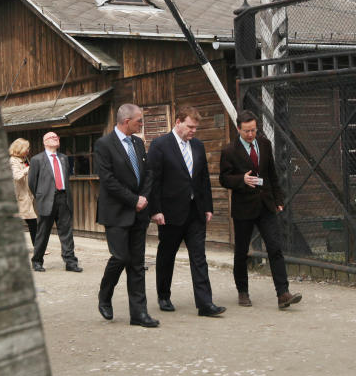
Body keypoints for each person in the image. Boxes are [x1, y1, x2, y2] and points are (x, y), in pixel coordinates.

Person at [219, 110, 302, 309]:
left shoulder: (264, 145)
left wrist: (278, 199)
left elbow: (272, 174)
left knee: (275, 248)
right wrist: (241, 180)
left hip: (266, 205)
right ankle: (243, 292)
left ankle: (283, 293)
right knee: (241, 252)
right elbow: (223, 179)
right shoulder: (229, 150)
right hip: (243, 208)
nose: (250, 134)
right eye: (246, 131)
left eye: (253, 130)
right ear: (238, 129)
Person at [148, 105, 225, 317]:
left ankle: (205, 304)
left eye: (196, 128)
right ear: (178, 122)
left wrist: (208, 206)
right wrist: (155, 210)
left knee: (199, 257)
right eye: (190, 127)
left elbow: (203, 178)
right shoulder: (160, 145)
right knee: (167, 255)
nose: (193, 131)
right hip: (170, 212)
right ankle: (163, 295)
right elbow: (153, 180)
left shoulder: (198, 146)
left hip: (195, 211)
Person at [94, 103, 159, 327]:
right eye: (139, 120)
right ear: (126, 121)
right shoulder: (104, 145)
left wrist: (144, 199)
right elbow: (108, 180)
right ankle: (105, 294)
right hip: (116, 212)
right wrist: (133, 200)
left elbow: (148, 173)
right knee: (120, 257)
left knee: (137, 264)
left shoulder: (139, 143)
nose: (142, 124)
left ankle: (139, 314)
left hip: (139, 213)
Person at [28, 131, 82, 273]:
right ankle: (37, 261)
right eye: (51, 137)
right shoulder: (37, 160)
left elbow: (66, 178)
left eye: (56, 137)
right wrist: (41, 196)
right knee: (43, 232)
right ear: (44, 142)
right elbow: (32, 183)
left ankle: (70, 262)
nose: (55, 138)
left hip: (63, 198)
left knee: (66, 232)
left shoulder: (64, 158)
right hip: (46, 200)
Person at [8, 138, 38, 247]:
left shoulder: (24, 158)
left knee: (31, 222)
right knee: (32, 221)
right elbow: (17, 176)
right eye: (27, 148)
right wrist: (29, 168)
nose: (29, 150)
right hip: (20, 196)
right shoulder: (13, 161)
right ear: (20, 148)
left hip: (27, 195)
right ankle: (39, 248)